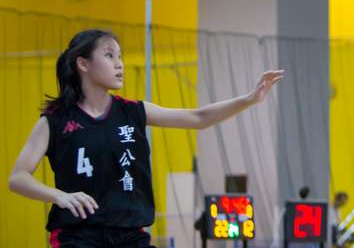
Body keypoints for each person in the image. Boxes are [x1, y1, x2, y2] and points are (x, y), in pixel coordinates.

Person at [8, 29, 283, 247]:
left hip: (130, 235)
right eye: (109, 56)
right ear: (83, 63)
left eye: (120, 56)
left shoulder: (133, 111)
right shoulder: (55, 121)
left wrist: (249, 99)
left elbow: (198, 118)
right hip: (78, 235)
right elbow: (18, 178)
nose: (119, 64)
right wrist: (59, 196)